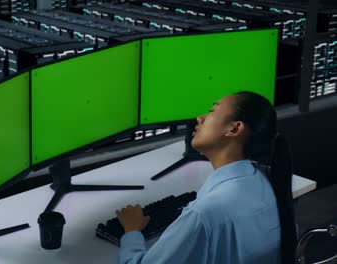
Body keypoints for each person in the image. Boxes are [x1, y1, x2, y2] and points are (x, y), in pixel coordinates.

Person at [116, 91, 296, 264]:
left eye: (212, 111)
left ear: (234, 128)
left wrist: (132, 231)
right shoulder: (268, 179)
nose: (200, 118)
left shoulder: (203, 214)